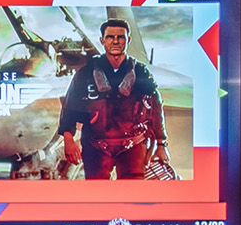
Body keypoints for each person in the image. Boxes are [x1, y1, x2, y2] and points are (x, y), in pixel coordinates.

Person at [54, 14, 169, 178]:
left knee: (133, 197)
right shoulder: (85, 74)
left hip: (133, 147)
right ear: (102, 40)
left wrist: (161, 144)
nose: (115, 41)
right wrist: (68, 139)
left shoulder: (141, 74)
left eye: (120, 37)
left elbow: (156, 107)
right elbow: (70, 106)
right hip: (96, 147)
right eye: (110, 37)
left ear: (128, 39)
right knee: (97, 197)